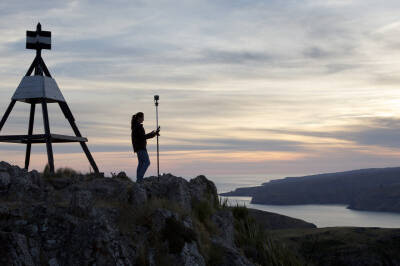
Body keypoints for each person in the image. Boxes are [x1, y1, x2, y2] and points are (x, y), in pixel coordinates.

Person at [131, 112, 160, 182]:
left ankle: (138, 179)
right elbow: (143, 137)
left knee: (141, 163)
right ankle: (139, 179)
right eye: (142, 118)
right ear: (139, 118)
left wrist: (153, 134)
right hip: (141, 147)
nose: (143, 120)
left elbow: (142, 137)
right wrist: (153, 134)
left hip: (138, 147)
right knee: (146, 162)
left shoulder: (135, 126)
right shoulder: (138, 127)